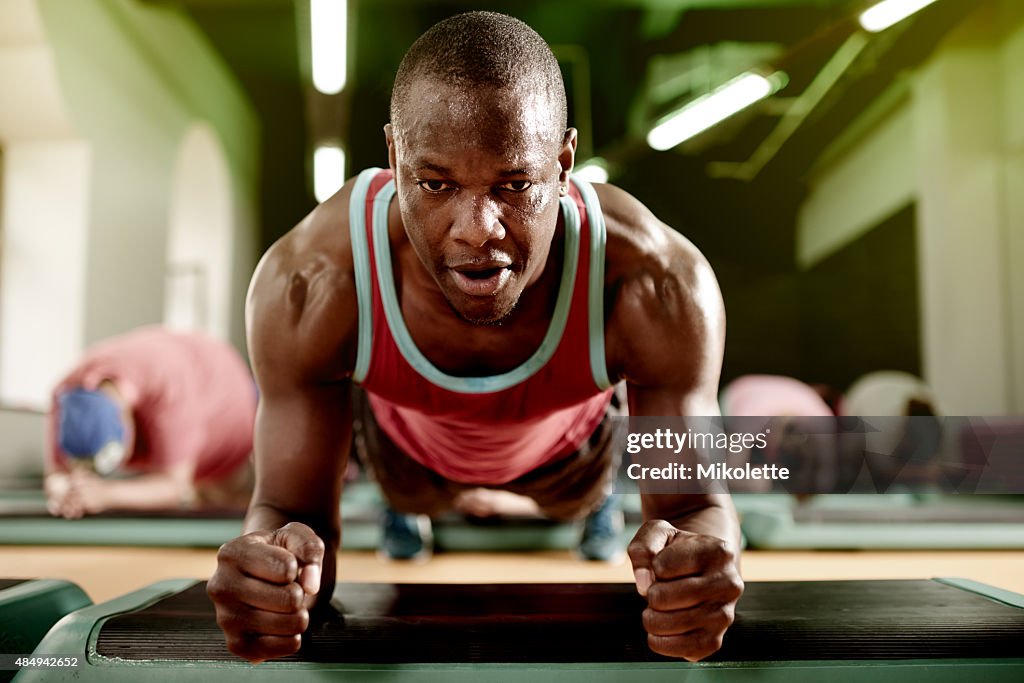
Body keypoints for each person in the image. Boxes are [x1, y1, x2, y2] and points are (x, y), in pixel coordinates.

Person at [207, 11, 742, 664]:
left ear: (565, 162)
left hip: (569, 464)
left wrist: (699, 571)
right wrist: (279, 576)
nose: (476, 230)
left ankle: (602, 506)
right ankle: (415, 509)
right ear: (395, 156)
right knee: (397, 492)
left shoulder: (655, 281)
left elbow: (697, 506)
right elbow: (288, 508)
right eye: (435, 184)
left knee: (592, 491)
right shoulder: (312, 281)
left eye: (515, 185)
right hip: (409, 464)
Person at [45, 326, 257, 518]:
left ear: (125, 421)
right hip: (178, 386)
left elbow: (174, 486)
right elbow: (57, 474)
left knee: (225, 504)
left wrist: (106, 494)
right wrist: (66, 490)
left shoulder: (169, 386)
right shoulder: (65, 394)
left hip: (228, 403)